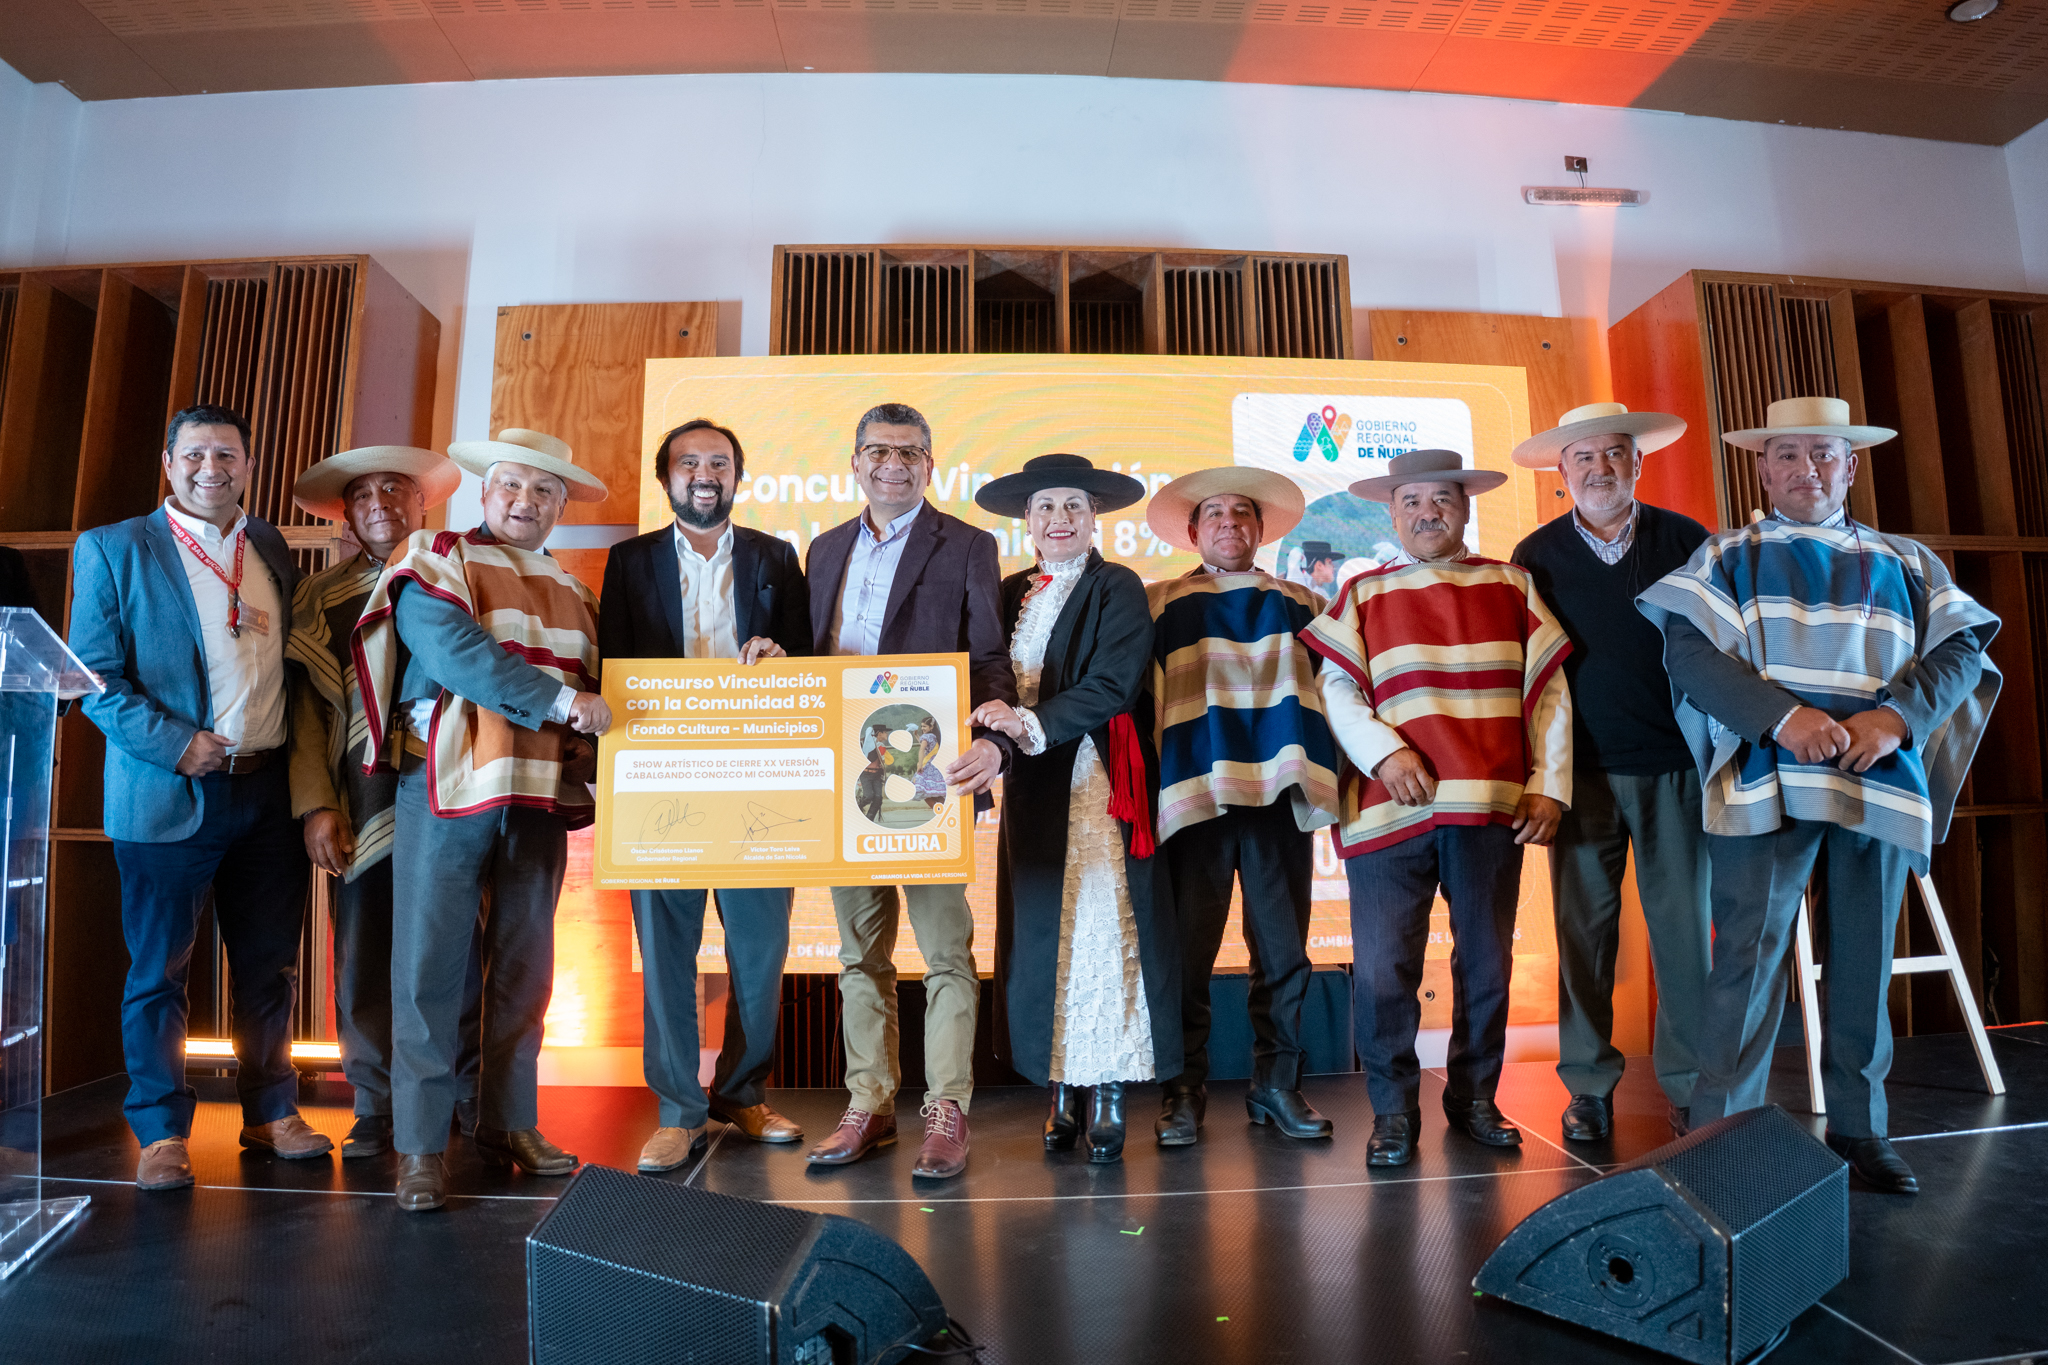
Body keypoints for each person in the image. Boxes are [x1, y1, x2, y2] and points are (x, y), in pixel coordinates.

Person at [1639, 396, 2000, 1196]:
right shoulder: (1726, 555)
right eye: (1789, 454)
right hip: (1767, 774)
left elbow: (1961, 651)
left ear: (1851, 466)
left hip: (1878, 774)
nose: (1808, 468)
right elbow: (1689, 651)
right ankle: (1720, 1133)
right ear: (1763, 469)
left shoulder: (1909, 560)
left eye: (1824, 454)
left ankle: (1861, 1127)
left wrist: (1896, 719)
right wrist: (1783, 718)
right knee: (1746, 958)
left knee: (1865, 958)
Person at [71, 403, 331, 1191]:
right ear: (168, 463)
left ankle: (271, 1111)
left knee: (269, 968)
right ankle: (160, 1130)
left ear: (248, 466)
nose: (210, 468)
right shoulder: (114, 547)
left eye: (226, 455)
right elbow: (92, 678)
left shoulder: (269, 546)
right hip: (165, 796)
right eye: (194, 454)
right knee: (159, 971)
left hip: (266, 795)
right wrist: (175, 743)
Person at [354, 428, 613, 1213]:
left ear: (561, 506)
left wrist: (591, 735)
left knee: (527, 971)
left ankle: (507, 1120)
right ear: (484, 490)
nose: (525, 501)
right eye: (511, 485)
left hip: (538, 796)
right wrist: (562, 702)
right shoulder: (436, 554)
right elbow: (451, 651)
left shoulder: (577, 591)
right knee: (428, 967)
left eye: (544, 490)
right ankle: (421, 1144)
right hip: (446, 784)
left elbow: (604, 696)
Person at [1302, 448, 1573, 1166]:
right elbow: (1336, 691)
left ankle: (1474, 1096)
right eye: (1413, 502)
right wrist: (1385, 754)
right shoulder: (1362, 592)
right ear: (1392, 513)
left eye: (1442, 500)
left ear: (1465, 508)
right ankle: (1393, 1109)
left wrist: (1549, 783)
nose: (1428, 513)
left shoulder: (1512, 584)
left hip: (1488, 799)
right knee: (1384, 966)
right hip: (1388, 805)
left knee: (1486, 962)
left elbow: (1548, 694)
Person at [801, 402, 1017, 1181]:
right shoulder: (823, 548)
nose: (893, 463)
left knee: (946, 952)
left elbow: (988, 657)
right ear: (855, 462)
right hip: (845, 779)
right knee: (859, 953)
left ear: (931, 465)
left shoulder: (968, 544)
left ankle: (947, 1107)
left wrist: (995, 740)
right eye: (879, 450)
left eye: (909, 452)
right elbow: (813, 656)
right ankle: (869, 1104)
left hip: (929, 779)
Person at [599, 418, 811, 1173]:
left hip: (757, 781)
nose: (704, 473)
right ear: (666, 478)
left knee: (761, 949)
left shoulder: (776, 558)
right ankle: (679, 1110)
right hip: (661, 782)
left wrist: (783, 656)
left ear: (736, 477)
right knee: (666, 950)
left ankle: (742, 1092)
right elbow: (611, 669)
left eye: (719, 462)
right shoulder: (629, 562)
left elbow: (807, 663)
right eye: (689, 462)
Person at [1508, 404, 1712, 1142]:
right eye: (1584, 457)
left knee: (1685, 940)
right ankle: (1588, 1086)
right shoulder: (1534, 556)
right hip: (1580, 776)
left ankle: (1690, 1087)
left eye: (1614, 454)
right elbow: (1526, 672)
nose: (1600, 468)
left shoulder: (1688, 541)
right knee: (1583, 938)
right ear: (1562, 472)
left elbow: (1718, 649)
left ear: (1638, 462)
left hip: (1676, 767)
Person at [969, 454, 1182, 1163]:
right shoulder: (1007, 592)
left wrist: (1027, 723)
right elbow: (982, 673)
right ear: (1027, 521)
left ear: (1094, 518)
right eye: (1045, 507)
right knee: (1042, 934)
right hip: (1031, 781)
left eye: (1072, 506)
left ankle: (1110, 1086)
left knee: (1101, 924)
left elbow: (1114, 683)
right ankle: (1060, 1087)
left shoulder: (1116, 586)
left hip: (1094, 777)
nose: (1058, 519)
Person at [1144, 467, 1341, 1147]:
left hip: (1279, 797)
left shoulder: (1306, 603)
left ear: (1260, 529)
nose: (1229, 523)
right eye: (1215, 514)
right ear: (1193, 531)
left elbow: (1340, 693)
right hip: (1192, 794)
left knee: (1284, 952)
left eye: (1241, 513)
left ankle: (1276, 1084)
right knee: (1184, 954)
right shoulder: (1159, 602)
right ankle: (1181, 1090)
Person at [285, 445, 464, 1160]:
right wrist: (316, 804)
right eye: (363, 494)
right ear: (346, 513)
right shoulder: (319, 596)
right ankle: (373, 1100)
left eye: (395, 489)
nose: (380, 503)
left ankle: (457, 1094)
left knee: (452, 947)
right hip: (359, 792)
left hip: (450, 787)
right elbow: (305, 712)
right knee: (362, 948)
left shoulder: (456, 573)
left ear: (423, 502)